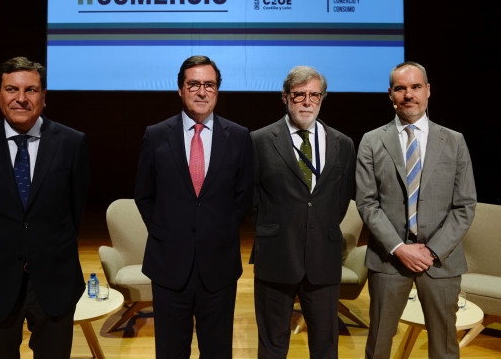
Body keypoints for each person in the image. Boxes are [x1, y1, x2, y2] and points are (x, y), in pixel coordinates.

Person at [0, 57, 90, 359]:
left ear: (43, 96)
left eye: (30, 90)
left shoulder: (72, 142)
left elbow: (75, 209)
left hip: (54, 280)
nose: (21, 98)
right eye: (11, 89)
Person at [134, 55, 253, 358]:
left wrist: (218, 230)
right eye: (194, 84)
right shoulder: (155, 135)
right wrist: (167, 232)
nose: (202, 92)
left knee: (217, 351)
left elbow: (243, 196)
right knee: (171, 351)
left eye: (209, 85)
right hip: (169, 266)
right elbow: (144, 195)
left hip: (219, 266)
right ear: (180, 89)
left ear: (217, 90)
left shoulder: (239, 137)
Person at [356, 61, 477, 359]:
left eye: (416, 87)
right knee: (378, 345)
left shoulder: (454, 141)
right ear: (390, 94)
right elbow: (367, 202)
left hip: (441, 262)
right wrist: (399, 248)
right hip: (388, 259)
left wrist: (431, 251)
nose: (408, 94)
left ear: (428, 90)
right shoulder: (372, 141)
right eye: (401, 88)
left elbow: (464, 205)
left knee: (444, 346)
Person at [249, 65, 356, 358]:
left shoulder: (343, 144)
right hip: (276, 255)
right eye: (299, 95)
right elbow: (252, 200)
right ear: (285, 97)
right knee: (272, 345)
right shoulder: (259, 140)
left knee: (325, 346)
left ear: (322, 99)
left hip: (323, 258)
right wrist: (275, 231)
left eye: (314, 95)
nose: (307, 102)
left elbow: (341, 200)